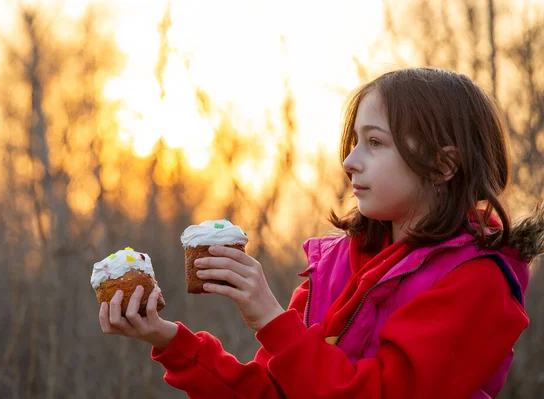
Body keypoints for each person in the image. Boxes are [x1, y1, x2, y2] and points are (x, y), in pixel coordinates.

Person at [99, 68, 544, 398]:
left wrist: (271, 319)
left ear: (445, 165)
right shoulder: (330, 268)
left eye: (375, 142)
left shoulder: (477, 283)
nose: (350, 161)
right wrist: (168, 339)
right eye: (353, 142)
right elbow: (271, 393)